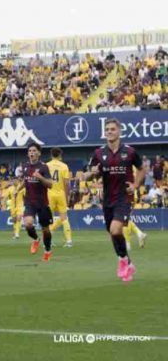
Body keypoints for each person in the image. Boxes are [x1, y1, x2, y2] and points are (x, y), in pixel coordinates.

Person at [79, 118, 145, 282]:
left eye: (112, 129)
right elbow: (89, 174)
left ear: (119, 131)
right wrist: (89, 173)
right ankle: (128, 262)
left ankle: (122, 261)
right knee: (112, 233)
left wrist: (135, 185)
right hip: (108, 198)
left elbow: (142, 169)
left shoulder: (129, 152)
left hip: (124, 196)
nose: (109, 131)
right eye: (107, 129)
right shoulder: (99, 153)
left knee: (116, 230)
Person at [16, 142, 54, 262]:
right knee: (27, 224)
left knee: (46, 230)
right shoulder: (25, 166)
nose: (32, 153)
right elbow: (26, 181)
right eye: (30, 151)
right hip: (29, 202)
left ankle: (47, 250)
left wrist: (40, 177)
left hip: (42, 203)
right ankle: (36, 239)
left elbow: (50, 185)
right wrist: (18, 188)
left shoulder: (44, 167)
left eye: (34, 151)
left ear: (39, 153)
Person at [47, 147, 73, 247]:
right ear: (60, 155)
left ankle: (48, 241)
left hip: (49, 194)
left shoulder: (47, 165)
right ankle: (69, 241)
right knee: (64, 218)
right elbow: (67, 184)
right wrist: (67, 196)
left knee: (49, 218)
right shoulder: (64, 166)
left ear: (51, 155)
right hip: (61, 194)